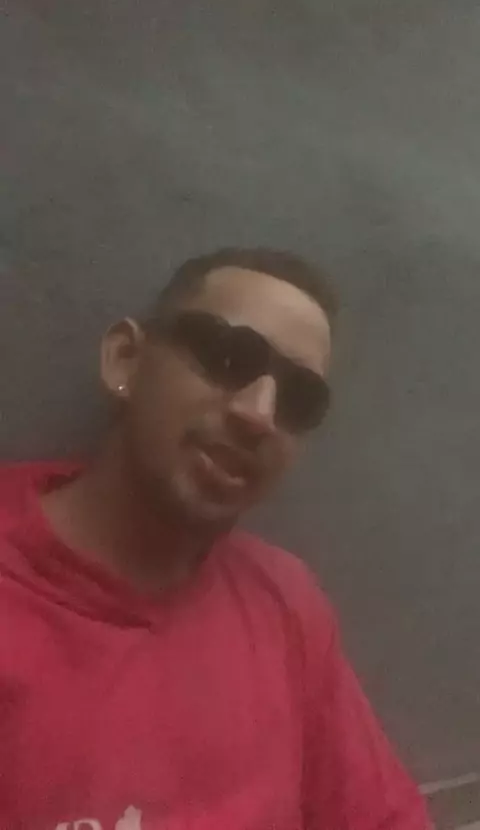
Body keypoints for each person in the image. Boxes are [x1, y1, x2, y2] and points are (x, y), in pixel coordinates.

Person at [0, 247, 429, 830]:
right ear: (126, 359)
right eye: (229, 357)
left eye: (298, 399)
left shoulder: (282, 603)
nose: (259, 415)